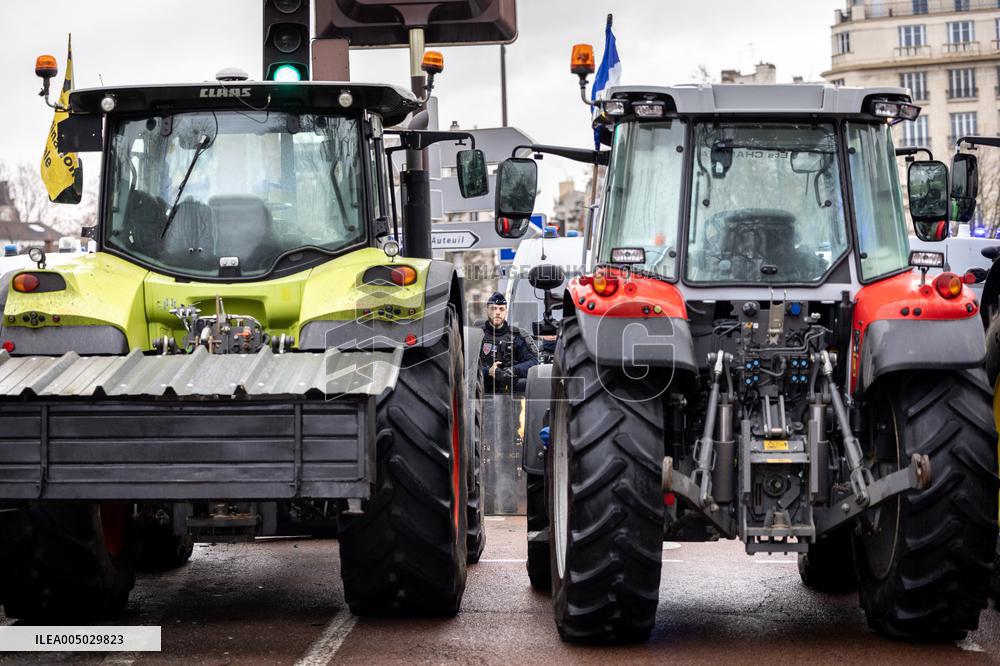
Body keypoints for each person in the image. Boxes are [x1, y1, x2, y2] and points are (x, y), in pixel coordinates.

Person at [479, 291, 538, 393]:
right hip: (481, 394)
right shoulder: (476, 335)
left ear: (506, 311)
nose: (497, 312)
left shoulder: (517, 336)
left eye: (501, 309)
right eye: (493, 308)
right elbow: (465, 366)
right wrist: (488, 371)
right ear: (487, 310)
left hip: (511, 395)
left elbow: (534, 362)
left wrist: (514, 370)